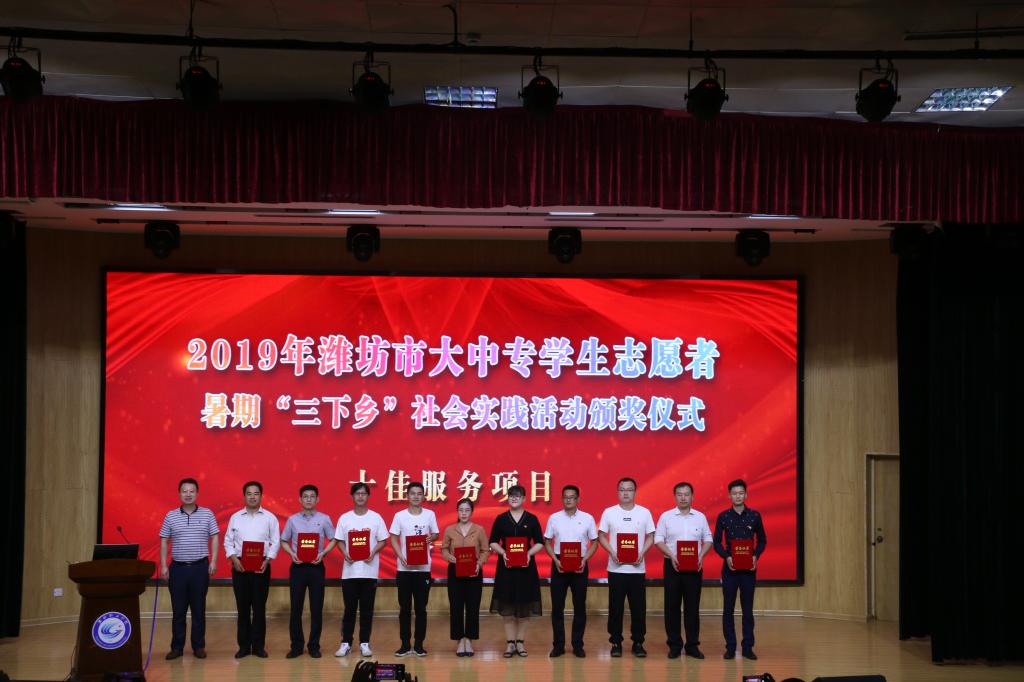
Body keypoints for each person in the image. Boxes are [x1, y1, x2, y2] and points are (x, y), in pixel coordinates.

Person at [158, 477, 219, 660]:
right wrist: (163, 565)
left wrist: (213, 561)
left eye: (192, 491)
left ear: (197, 493)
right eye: (184, 491)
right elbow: (164, 540)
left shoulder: (207, 514)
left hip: (200, 568)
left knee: (198, 610)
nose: (188, 494)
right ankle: (177, 647)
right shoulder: (171, 516)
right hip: (178, 569)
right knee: (178, 611)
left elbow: (215, 537)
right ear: (179, 494)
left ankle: (198, 646)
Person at [328, 482, 390, 658]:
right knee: (349, 610)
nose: (360, 496)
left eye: (363, 493)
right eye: (357, 493)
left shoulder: (376, 518)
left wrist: (373, 552)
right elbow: (339, 540)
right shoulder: (345, 518)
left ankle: (364, 643)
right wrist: (345, 552)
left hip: (369, 572)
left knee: (366, 610)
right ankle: (345, 643)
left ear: (368, 496)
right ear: (352, 496)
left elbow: (383, 540)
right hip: (349, 573)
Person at [654, 481, 713, 659]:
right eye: (679, 494)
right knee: (672, 607)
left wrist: (701, 556)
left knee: (692, 608)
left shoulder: (700, 517)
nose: (683, 498)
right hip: (672, 566)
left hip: (694, 567)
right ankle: (674, 645)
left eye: (686, 494)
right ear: (675, 497)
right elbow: (658, 539)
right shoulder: (666, 517)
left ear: (692, 496)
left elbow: (708, 539)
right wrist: (671, 555)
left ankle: (692, 646)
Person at [598, 476, 655, 657]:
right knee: (615, 608)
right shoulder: (609, 512)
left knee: (638, 608)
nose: (625, 493)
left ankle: (638, 642)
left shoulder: (644, 513)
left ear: (635, 492)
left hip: (637, 570)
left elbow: (651, 536)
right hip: (616, 569)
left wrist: (642, 553)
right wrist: (612, 552)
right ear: (617, 492)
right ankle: (616, 642)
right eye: (622, 490)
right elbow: (601, 535)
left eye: (629, 490)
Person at [223, 480, 280, 659]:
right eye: (249, 494)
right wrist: (233, 559)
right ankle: (243, 646)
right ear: (244, 496)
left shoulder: (270, 517)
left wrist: (268, 560)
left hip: (261, 566)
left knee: (259, 608)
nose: (252, 497)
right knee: (243, 609)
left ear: (261, 496)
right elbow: (228, 541)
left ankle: (258, 646)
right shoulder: (235, 517)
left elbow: (275, 541)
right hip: (239, 566)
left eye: (256, 493)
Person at [713, 478, 767, 661]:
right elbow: (716, 542)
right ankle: (730, 647)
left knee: (748, 610)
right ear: (729, 496)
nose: (738, 496)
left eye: (741, 493)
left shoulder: (754, 516)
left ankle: (747, 647)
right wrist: (726, 556)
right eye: (734, 493)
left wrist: (755, 556)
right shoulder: (723, 516)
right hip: (730, 569)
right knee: (728, 609)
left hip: (748, 570)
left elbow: (762, 540)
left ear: (746, 495)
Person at [489, 484, 545, 658]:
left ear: (524, 499)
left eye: (517, 496)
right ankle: (510, 643)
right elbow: (493, 542)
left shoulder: (532, 519)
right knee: (507, 607)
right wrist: (503, 552)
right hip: (506, 569)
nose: (514, 498)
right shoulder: (501, 519)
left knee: (524, 608)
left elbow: (540, 542)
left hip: (526, 570)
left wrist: (529, 553)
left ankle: (520, 642)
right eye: (511, 496)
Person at [543, 484, 598, 658]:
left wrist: (585, 559)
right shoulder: (554, 518)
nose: (568, 500)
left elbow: (595, 542)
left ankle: (577, 645)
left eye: (572, 497)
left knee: (579, 607)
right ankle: (558, 645)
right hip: (559, 563)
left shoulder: (588, 518)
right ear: (562, 499)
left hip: (580, 563)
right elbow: (547, 542)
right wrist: (555, 559)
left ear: (578, 499)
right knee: (557, 607)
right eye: (565, 497)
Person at [280, 484, 334, 659]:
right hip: (298, 568)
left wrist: (323, 553)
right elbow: (283, 541)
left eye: (312, 496)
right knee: (296, 608)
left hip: (317, 567)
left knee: (316, 609)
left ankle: (314, 646)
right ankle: (296, 646)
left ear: (317, 499)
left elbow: (334, 539)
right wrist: (292, 553)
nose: (308, 499)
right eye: (305, 496)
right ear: (300, 499)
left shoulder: (324, 519)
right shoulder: (292, 520)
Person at [389, 481, 440, 657]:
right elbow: (393, 538)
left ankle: (419, 645)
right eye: (413, 493)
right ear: (407, 496)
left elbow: (436, 534)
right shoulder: (399, 516)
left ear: (423, 496)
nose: (416, 496)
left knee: (421, 609)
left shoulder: (430, 514)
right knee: (404, 608)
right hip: (404, 570)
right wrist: (400, 556)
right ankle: (405, 644)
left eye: (419, 493)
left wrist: (431, 538)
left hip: (423, 569)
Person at [440, 498, 489, 656]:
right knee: (456, 607)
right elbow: (444, 549)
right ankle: (460, 640)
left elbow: (485, 550)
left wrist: (479, 563)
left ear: (472, 512)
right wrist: (450, 557)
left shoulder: (479, 530)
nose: (464, 513)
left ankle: (469, 640)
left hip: (474, 572)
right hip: (455, 571)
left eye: (467, 510)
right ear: (457, 511)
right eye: (461, 510)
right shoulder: (450, 530)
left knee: (473, 607)